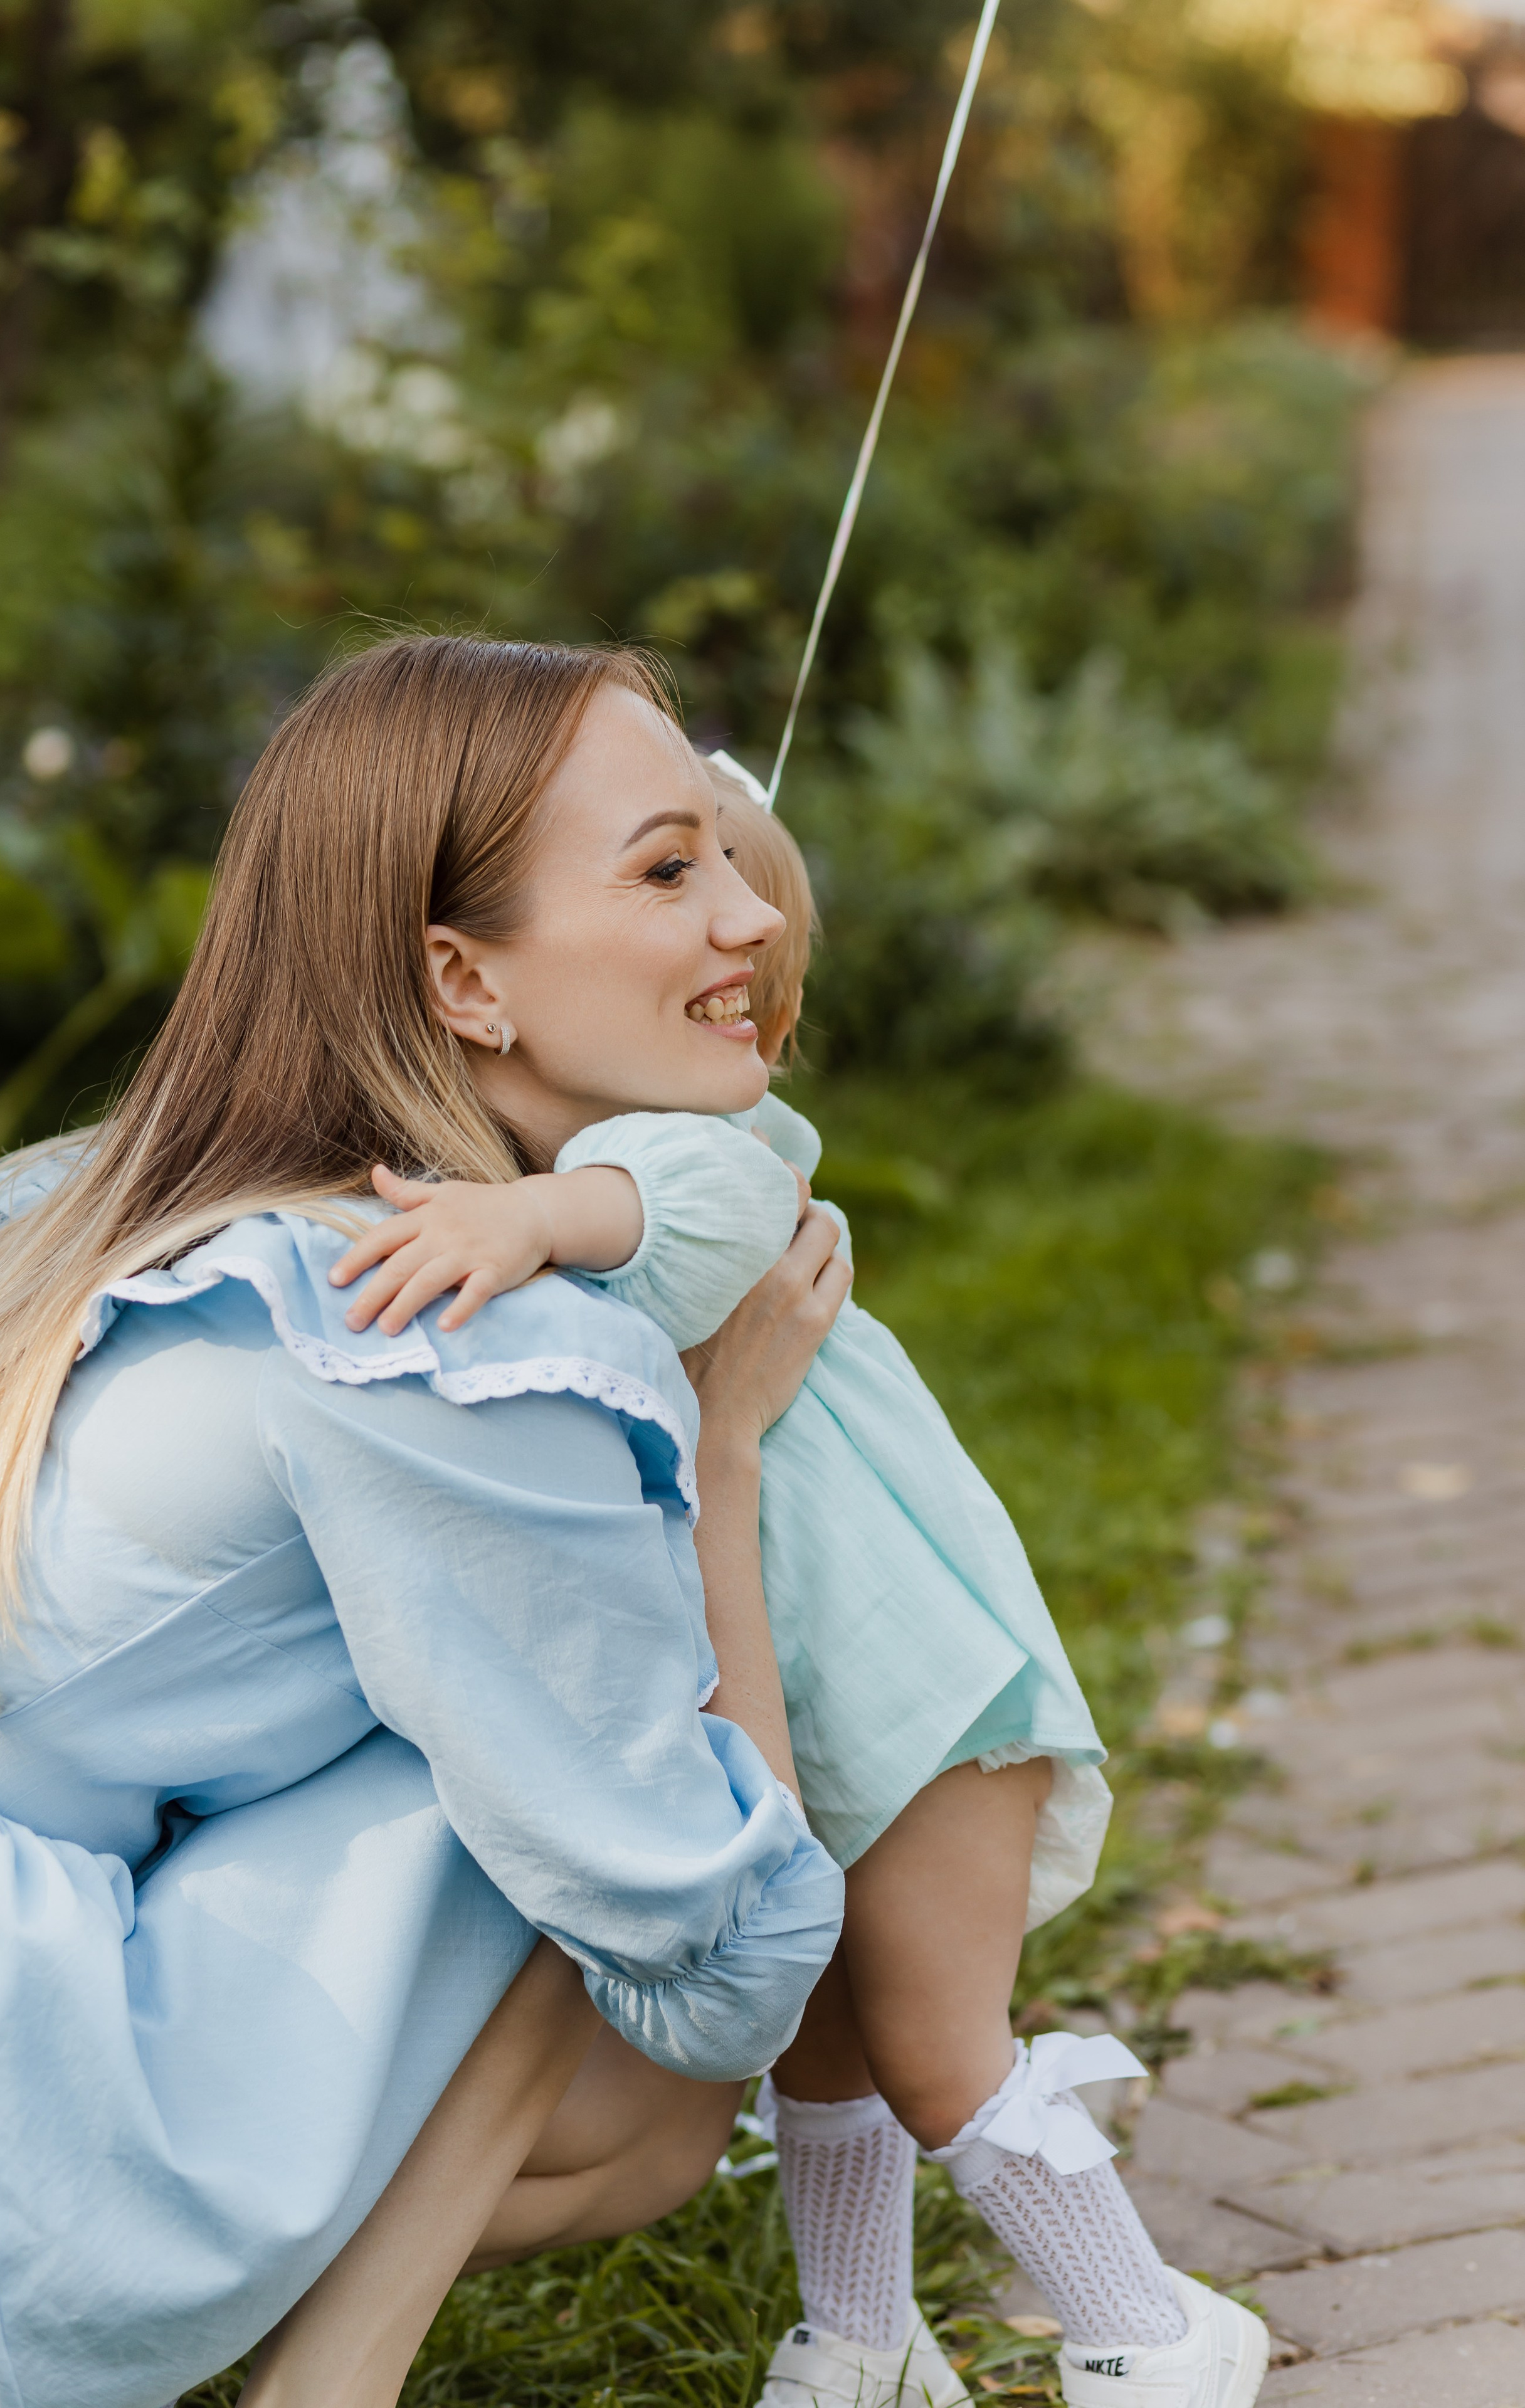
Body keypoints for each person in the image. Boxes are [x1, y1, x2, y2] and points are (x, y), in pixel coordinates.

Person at [0, 635, 852, 2408]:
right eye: (670, 869)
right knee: (566, 1820)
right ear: (461, 982)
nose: (753, 921)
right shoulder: (435, 1341)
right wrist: (721, 1462)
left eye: (728, 853)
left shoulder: (163, 1221)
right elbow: (722, 1966)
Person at [325, 751, 1272, 2408]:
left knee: (931, 2045)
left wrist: (531, 1219)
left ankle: (1157, 2330)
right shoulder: (624, 1142)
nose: (734, 970)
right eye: (673, 894)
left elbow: (672, 1227)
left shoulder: (716, 1154)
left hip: (915, 1694)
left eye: (754, 953)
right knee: (820, 2054)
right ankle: (860, 2347)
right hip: (802, 1704)